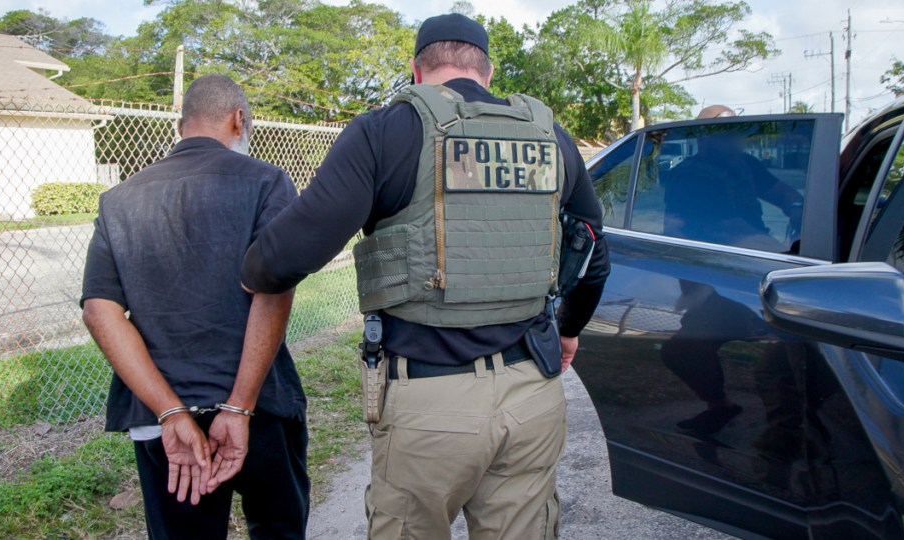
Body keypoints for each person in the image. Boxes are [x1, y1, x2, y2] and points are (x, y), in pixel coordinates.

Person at [241, 13, 610, 539]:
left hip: (429, 402)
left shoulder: (385, 131)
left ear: (416, 69)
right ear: (486, 70)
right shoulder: (549, 136)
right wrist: (569, 330)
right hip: (533, 392)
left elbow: (282, 259)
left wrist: (249, 269)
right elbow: (593, 251)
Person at [80, 74, 308, 540]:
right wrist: (240, 408)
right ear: (239, 120)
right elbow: (274, 289)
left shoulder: (117, 200)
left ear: (181, 126)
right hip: (259, 404)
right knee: (279, 528)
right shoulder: (267, 182)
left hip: (163, 418)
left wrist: (170, 412)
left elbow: (99, 311)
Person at [664, 105, 803, 252]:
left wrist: (796, 208)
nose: (736, 140)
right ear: (703, 139)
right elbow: (731, 229)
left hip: (751, 249)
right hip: (711, 259)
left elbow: (782, 193)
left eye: (736, 133)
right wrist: (784, 254)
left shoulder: (746, 164)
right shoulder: (690, 175)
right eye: (725, 135)